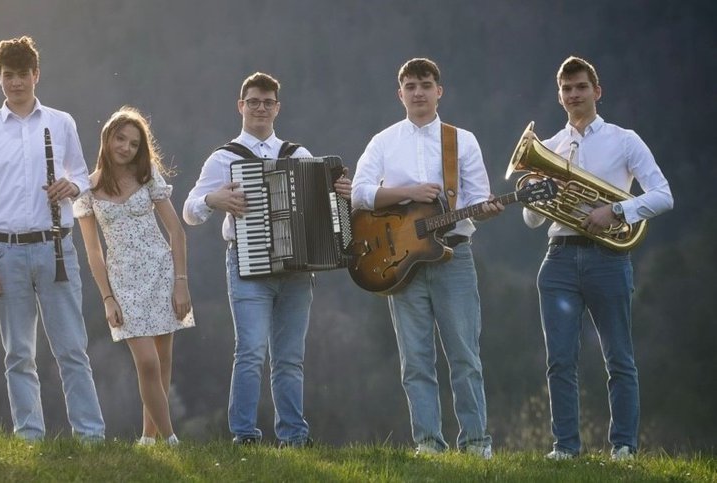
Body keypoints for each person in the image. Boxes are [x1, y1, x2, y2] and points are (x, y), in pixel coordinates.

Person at [182, 72, 351, 447]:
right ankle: (244, 435)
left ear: (278, 107)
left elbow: (332, 215)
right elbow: (189, 212)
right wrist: (214, 201)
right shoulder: (224, 158)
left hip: (298, 270)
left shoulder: (299, 155)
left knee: (290, 357)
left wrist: (341, 194)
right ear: (241, 106)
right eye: (253, 101)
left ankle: (293, 435)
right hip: (247, 265)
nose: (260, 108)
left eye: (267, 102)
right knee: (251, 350)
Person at [524, 56, 673, 461]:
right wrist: (541, 192)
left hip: (607, 257)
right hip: (557, 259)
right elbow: (532, 220)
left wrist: (617, 211)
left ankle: (623, 446)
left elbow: (663, 195)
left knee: (619, 357)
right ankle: (566, 447)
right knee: (559, 361)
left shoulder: (625, 140)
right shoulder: (550, 146)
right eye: (567, 89)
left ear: (597, 91)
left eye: (581, 87)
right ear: (560, 96)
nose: (574, 95)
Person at [350, 58, 502, 458]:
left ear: (440, 91)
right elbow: (359, 193)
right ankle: (428, 443)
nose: (419, 92)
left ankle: (475, 442)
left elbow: (476, 198)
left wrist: (483, 209)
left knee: (465, 356)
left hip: (455, 257)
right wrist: (408, 193)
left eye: (426, 84)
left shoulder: (462, 140)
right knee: (415, 359)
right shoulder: (383, 141)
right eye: (411, 86)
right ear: (400, 94)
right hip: (402, 263)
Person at [0, 36, 105, 442]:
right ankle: (29, 436)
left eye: (23, 75)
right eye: (8, 76)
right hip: (4, 250)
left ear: (36, 75)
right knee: (19, 354)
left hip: (55, 244)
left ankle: (91, 436)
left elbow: (83, 174)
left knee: (72, 349)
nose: (16, 83)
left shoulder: (60, 122)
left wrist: (71, 187)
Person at [75, 107, 194, 446]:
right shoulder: (88, 188)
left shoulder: (148, 176)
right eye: (120, 139)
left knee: (162, 361)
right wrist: (107, 298)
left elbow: (177, 232)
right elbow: (93, 252)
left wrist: (181, 282)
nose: (125, 147)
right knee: (146, 363)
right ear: (107, 138)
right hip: (123, 282)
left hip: (161, 273)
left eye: (133, 143)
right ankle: (171, 439)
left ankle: (148, 439)